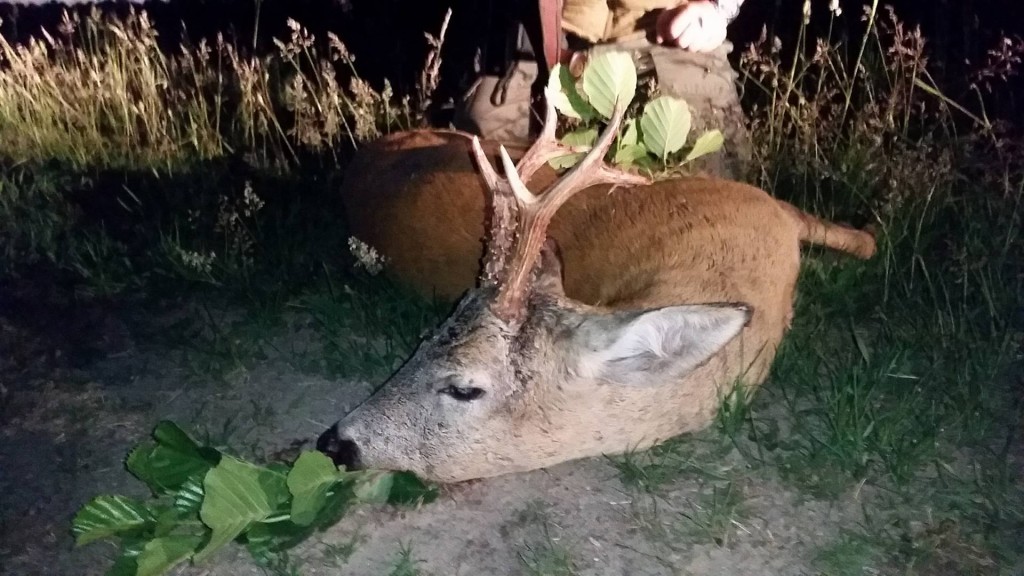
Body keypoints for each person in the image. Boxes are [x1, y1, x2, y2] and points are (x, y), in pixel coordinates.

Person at [454, 0, 751, 180]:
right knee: (477, 176)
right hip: (535, 32)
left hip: (662, 28)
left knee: (703, 183)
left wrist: (716, 8)